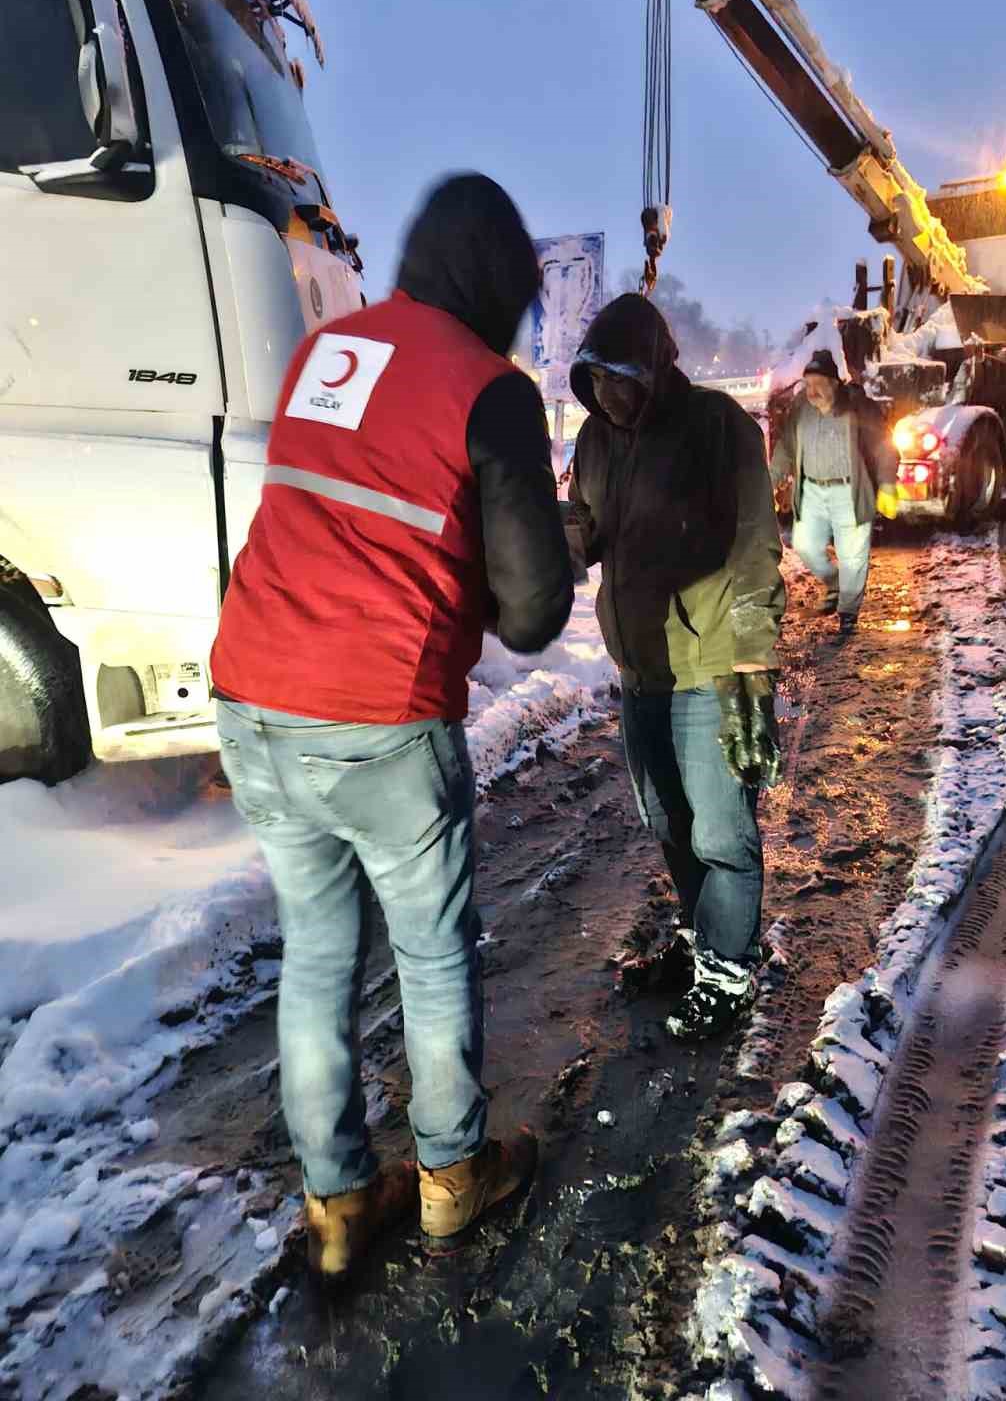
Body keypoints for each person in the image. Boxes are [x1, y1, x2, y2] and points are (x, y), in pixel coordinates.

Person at [209, 174, 574, 1275]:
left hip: (253, 696)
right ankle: (454, 1176)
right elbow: (534, 609)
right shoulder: (489, 389)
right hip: (376, 711)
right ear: (501, 283)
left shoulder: (331, 351)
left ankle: (335, 1203)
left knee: (316, 954)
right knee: (429, 950)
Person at [564, 293, 785, 1040]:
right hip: (640, 668)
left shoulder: (718, 428)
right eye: (593, 379)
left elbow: (756, 545)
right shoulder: (594, 441)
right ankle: (698, 943)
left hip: (712, 661)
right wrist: (544, 541)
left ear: (656, 370)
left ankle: (729, 971)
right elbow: (582, 528)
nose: (605, 394)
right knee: (667, 820)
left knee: (721, 832)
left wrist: (753, 669)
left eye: (619, 378)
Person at [770, 349, 898, 635]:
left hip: (848, 489)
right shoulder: (801, 408)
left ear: (835, 383)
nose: (811, 391)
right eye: (807, 384)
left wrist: (887, 483)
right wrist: (771, 480)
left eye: (818, 384)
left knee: (852, 554)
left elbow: (883, 444)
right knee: (805, 546)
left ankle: (848, 614)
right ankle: (834, 582)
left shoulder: (856, 407)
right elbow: (786, 447)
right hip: (812, 489)